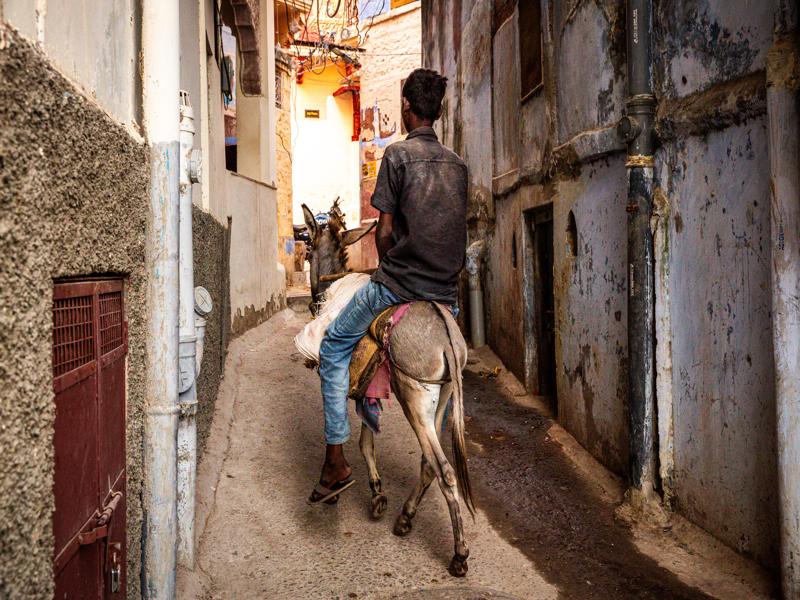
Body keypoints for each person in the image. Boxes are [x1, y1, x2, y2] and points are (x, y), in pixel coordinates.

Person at [308, 68, 468, 504]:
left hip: (398, 286)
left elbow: (382, 233)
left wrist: (391, 264)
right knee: (448, 375)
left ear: (406, 107)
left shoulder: (396, 156)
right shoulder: (458, 166)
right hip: (446, 295)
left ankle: (336, 462)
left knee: (333, 346)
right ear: (438, 112)